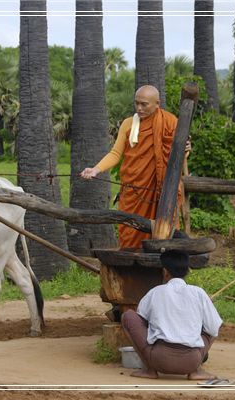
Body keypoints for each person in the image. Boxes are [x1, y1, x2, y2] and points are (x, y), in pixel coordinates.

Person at [81, 85, 187, 249]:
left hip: (161, 193)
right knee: (130, 235)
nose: (139, 108)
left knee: (164, 235)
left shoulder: (171, 122)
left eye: (144, 104)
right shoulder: (128, 124)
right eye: (136, 103)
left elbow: (177, 157)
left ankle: (163, 272)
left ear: (157, 103)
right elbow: (116, 153)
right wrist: (96, 169)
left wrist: (185, 150)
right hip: (133, 192)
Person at [120, 250, 222, 380]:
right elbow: (213, 328)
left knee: (128, 316)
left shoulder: (155, 292)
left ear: (165, 272)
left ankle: (150, 370)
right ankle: (195, 371)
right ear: (187, 271)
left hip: (158, 359)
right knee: (214, 323)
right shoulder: (199, 293)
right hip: (191, 361)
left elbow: (141, 320)